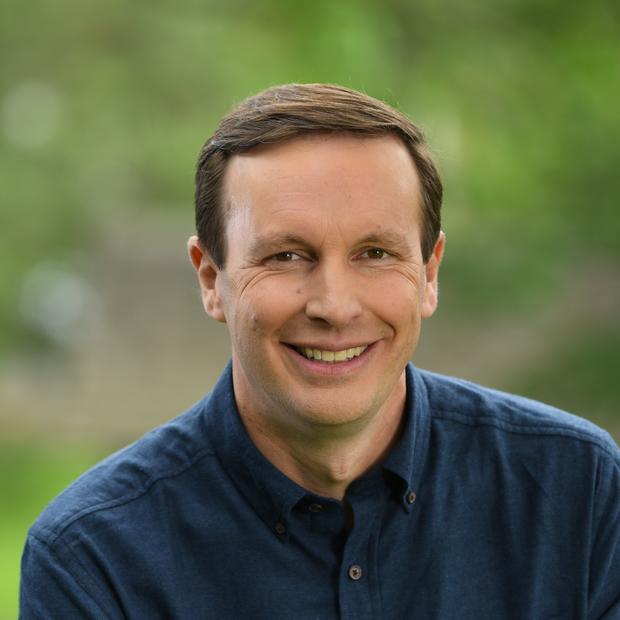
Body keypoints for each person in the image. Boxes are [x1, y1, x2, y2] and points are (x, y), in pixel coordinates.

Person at [20, 83, 620, 619]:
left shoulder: (578, 490)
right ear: (211, 280)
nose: (334, 305)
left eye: (375, 254)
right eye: (286, 256)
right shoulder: (92, 558)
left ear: (429, 273)